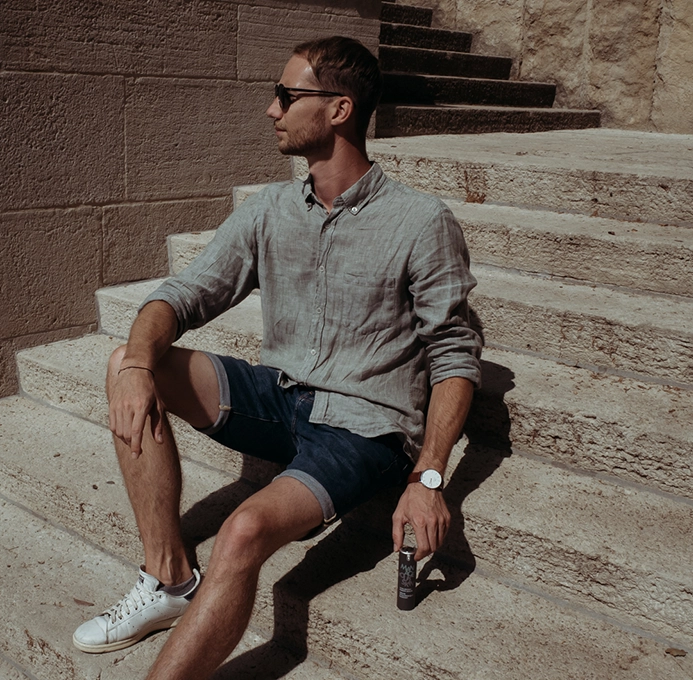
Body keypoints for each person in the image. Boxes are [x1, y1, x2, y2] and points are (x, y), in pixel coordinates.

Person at [72, 36, 482, 679]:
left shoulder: (420, 221)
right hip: (283, 396)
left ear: (339, 109)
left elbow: (454, 355)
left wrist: (428, 479)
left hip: (365, 427)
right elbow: (182, 295)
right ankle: (169, 577)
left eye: (287, 95)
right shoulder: (268, 210)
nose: (272, 109)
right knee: (133, 356)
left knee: (240, 531)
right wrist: (135, 368)